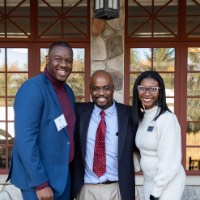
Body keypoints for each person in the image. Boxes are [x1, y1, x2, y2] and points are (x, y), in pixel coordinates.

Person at [7, 41, 76, 200]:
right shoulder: (32, 89)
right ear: (47, 59)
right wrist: (40, 183)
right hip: (39, 184)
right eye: (58, 59)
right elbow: (25, 140)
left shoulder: (68, 92)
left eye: (68, 61)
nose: (64, 65)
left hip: (62, 178)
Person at [71, 70, 137, 200]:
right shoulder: (78, 112)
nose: (101, 93)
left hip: (117, 189)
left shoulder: (129, 115)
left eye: (106, 88)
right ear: (90, 90)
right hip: (86, 190)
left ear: (113, 89)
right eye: (96, 89)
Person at [132, 70, 186, 200]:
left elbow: (169, 160)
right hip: (149, 181)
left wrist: (155, 193)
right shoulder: (141, 118)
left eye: (153, 89)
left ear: (160, 92)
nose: (147, 93)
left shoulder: (166, 119)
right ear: (137, 90)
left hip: (168, 183)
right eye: (142, 88)